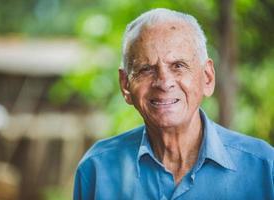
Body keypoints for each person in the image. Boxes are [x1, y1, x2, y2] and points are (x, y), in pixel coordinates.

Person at [73, 8, 274, 200]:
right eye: (146, 69)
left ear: (207, 77)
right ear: (126, 85)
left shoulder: (264, 168)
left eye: (178, 66)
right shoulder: (97, 170)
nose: (164, 82)